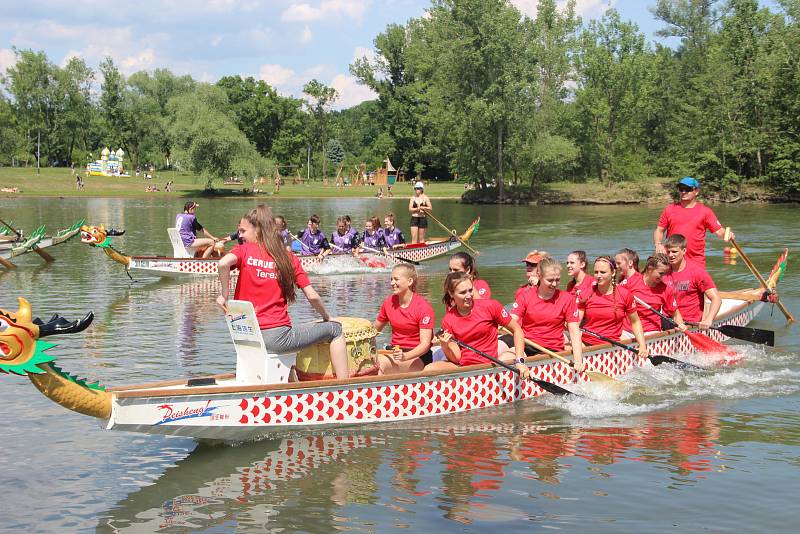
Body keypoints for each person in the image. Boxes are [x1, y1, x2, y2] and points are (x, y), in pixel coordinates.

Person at [216, 205, 348, 379]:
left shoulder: (244, 250)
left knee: (292, 346)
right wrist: (327, 317)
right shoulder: (289, 258)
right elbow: (313, 296)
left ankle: (291, 385)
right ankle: (344, 387)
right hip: (277, 339)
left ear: (258, 230)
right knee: (335, 330)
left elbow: (223, 263)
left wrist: (224, 295)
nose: (239, 236)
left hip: (245, 338)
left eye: (242, 231)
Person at [426, 272, 529, 378]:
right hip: (464, 367)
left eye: (470, 290)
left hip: (490, 364)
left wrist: (520, 361)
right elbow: (456, 358)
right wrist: (445, 345)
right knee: (429, 369)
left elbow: (517, 330)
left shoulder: (490, 306)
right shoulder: (448, 319)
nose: (469, 296)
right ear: (451, 294)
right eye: (463, 292)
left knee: (510, 356)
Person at [506, 256, 584, 371]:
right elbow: (511, 320)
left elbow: (574, 331)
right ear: (539, 275)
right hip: (526, 344)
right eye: (550, 280)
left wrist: (578, 360)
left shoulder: (567, 299)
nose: (554, 284)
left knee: (535, 362)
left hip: (551, 348)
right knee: (504, 358)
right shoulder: (525, 296)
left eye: (557, 280)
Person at [577, 256, 648, 360]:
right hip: (586, 343)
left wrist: (642, 346)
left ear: (613, 273)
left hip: (611, 346)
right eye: (596, 272)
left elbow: (635, 322)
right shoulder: (586, 293)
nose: (598, 276)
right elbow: (576, 323)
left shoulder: (625, 294)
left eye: (603, 272)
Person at [654, 176, 733, 267]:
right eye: (681, 189)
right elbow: (659, 230)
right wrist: (658, 245)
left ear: (696, 191)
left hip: (696, 262)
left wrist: (727, 234)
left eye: (687, 189)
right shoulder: (669, 209)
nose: (683, 192)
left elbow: (719, 231)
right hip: (672, 260)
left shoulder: (705, 212)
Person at [373, 264, 435, 374]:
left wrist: (405, 356)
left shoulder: (423, 307)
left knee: (378, 363)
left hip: (419, 357)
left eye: (396, 279)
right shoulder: (388, 302)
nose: (392, 283)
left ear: (410, 281)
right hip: (396, 352)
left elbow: (425, 345)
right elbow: (373, 331)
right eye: (391, 279)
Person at [663, 234, 722, 329]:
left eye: (674, 252)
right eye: (668, 251)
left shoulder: (697, 272)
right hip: (667, 321)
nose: (670, 255)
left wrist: (708, 319)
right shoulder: (663, 271)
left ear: (684, 251)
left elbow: (716, 299)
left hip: (690, 324)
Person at [624, 254, 687, 335]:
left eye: (665, 274)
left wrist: (681, 324)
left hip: (651, 332)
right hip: (628, 331)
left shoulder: (666, 289)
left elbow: (675, 314)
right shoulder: (631, 282)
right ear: (650, 269)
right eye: (660, 273)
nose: (663, 277)